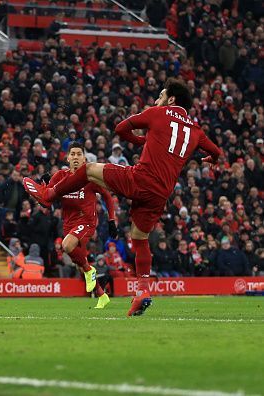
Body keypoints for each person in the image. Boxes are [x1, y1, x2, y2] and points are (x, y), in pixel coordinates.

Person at [23, 78, 222, 316]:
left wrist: (142, 140)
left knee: (87, 170)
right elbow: (216, 151)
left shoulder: (157, 113)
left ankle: (49, 195)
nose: (156, 100)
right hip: (161, 195)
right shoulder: (196, 131)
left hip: (139, 179)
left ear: (171, 100)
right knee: (139, 239)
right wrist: (212, 160)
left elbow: (120, 129)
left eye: (160, 95)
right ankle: (142, 292)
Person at [46, 142, 117, 309]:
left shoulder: (90, 177)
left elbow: (107, 197)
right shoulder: (59, 177)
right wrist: (41, 195)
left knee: (67, 245)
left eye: (79, 154)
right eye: (73, 154)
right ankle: (102, 295)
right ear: (68, 157)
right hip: (68, 224)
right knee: (79, 262)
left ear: (84, 158)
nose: (76, 157)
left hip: (86, 221)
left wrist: (112, 220)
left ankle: (90, 270)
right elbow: (47, 197)